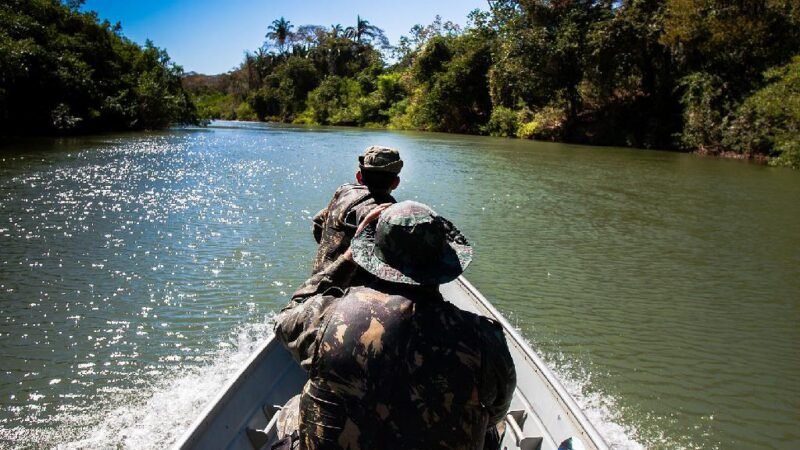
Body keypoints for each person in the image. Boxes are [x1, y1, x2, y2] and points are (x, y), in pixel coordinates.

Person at [274, 201, 516, 450]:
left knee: (293, 409)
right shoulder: (483, 338)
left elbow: (286, 318)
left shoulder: (327, 317)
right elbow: (497, 409)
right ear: (443, 263)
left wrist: (347, 259)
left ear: (371, 257)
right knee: (494, 427)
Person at [311, 145, 403, 276]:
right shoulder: (387, 212)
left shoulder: (345, 191)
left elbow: (318, 222)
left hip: (316, 279)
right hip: (346, 289)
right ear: (395, 183)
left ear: (359, 177)